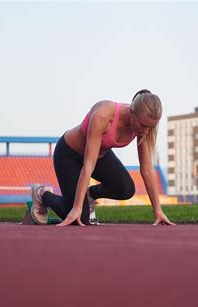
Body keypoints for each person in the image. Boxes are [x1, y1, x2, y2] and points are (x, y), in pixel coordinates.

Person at [30, 89, 176, 227]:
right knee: (80, 217)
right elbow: (88, 164)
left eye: (150, 127)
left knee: (126, 189)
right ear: (132, 112)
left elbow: (147, 170)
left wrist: (157, 210)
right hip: (69, 154)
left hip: (100, 155)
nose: (145, 131)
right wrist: (77, 207)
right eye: (143, 125)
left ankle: (89, 195)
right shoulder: (104, 115)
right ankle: (41, 193)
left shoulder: (143, 129)